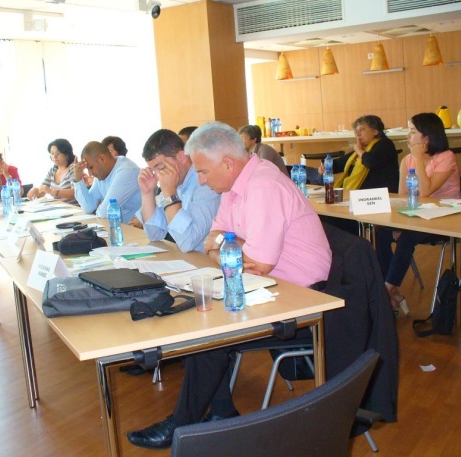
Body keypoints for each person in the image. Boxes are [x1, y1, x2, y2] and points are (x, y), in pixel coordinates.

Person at [126, 121, 332, 450]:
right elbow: (214, 242)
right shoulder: (233, 188)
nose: (201, 181)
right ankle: (219, 412)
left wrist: (225, 244)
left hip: (301, 297)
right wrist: (230, 244)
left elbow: (256, 262)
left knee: (207, 334)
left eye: (203, 172)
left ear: (227, 163)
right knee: (200, 318)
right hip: (264, 285)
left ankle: (183, 424)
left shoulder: (263, 185)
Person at [376, 113, 461, 313]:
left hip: (446, 220)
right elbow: (402, 197)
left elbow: (426, 191)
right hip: (418, 218)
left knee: (407, 237)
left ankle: (386, 290)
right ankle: (393, 290)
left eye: (413, 131)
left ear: (427, 137)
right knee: (381, 233)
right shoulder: (407, 160)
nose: (408, 136)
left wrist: (418, 159)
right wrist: (398, 223)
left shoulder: (446, 157)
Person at [134, 129, 220, 252]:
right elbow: (154, 234)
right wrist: (147, 193)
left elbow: (187, 242)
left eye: (160, 167)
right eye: (153, 170)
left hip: (208, 260)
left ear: (181, 156)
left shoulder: (205, 182)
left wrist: (170, 193)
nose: (158, 175)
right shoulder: (175, 181)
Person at [319, 114, 399, 192]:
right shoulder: (362, 151)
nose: (358, 134)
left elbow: (371, 162)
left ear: (375, 131)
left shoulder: (385, 144)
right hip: (360, 195)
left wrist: (358, 150)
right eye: (356, 131)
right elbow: (339, 164)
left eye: (362, 130)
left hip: (380, 196)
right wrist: (325, 166)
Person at [72, 141, 141, 222]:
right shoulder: (102, 174)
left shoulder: (126, 171)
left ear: (102, 159)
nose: (90, 174)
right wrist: (78, 179)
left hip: (137, 228)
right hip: (120, 226)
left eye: (91, 167)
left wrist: (99, 210)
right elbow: (88, 207)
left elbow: (105, 213)